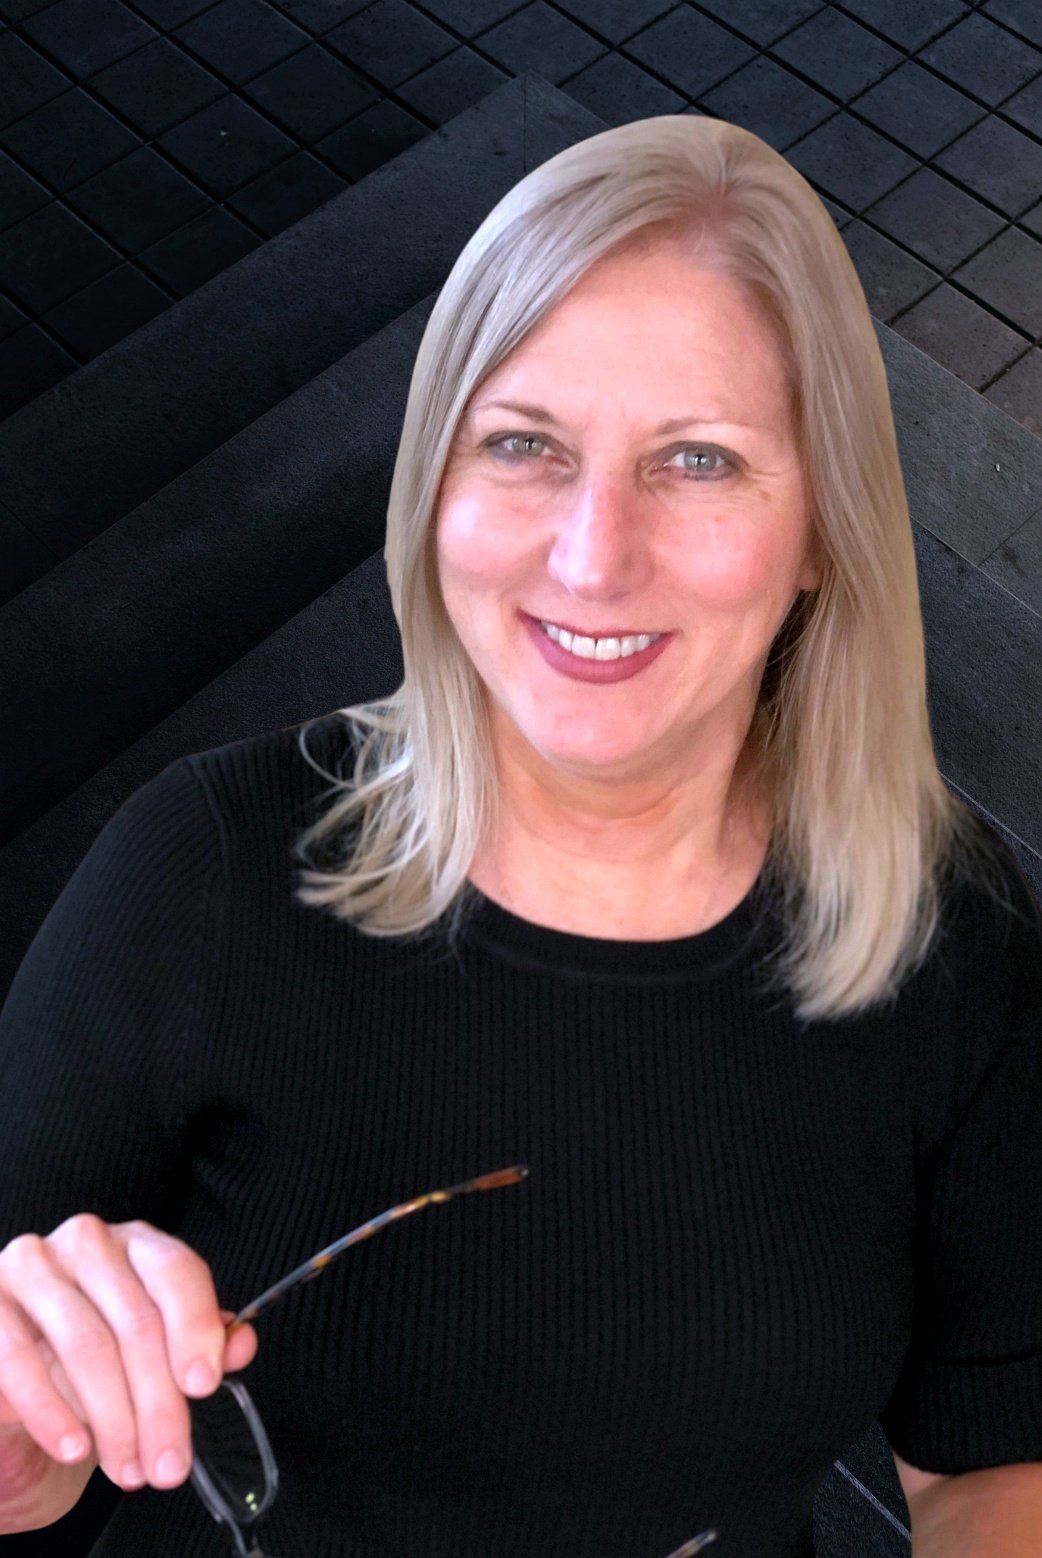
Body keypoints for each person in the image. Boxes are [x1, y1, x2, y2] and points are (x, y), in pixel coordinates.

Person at [1, 113, 1041, 1558]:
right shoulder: (199, 873)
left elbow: (993, 1468)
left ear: (823, 529)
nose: (589, 555)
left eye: (695, 459)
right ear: (435, 485)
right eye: (523, 444)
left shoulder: (961, 943)